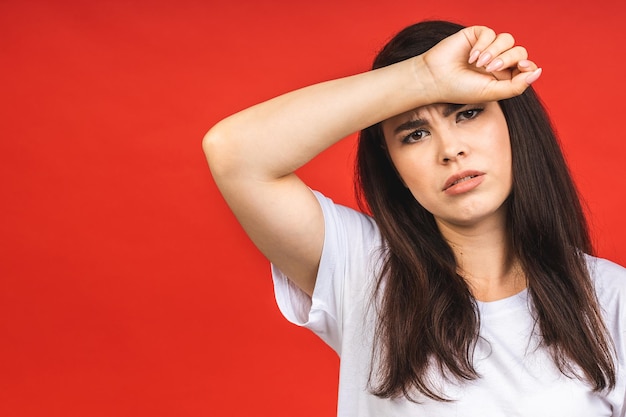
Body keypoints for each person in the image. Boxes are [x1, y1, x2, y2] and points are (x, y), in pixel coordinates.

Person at [203, 20, 626, 416]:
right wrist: (422, 77)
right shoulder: (363, 270)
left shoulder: (612, 300)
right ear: (395, 169)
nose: (449, 149)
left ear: (515, 126)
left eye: (468, 113)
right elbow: (235, 153)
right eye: (415, 134)